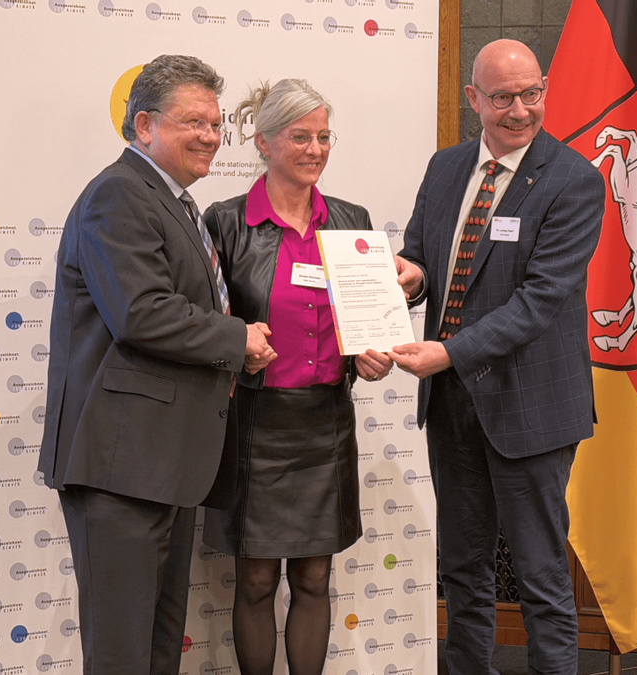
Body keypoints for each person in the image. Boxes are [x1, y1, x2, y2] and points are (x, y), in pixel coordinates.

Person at [38, 54, 274, 675]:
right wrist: (237, 339)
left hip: (160, 463)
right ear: (144, 125)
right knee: (123, 653)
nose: (211, 136)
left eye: (216, 124)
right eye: (193, 122)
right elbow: (140, 312)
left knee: (158, 648)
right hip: (121, 467)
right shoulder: (119, 194)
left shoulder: (173, 201)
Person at [389, 40, 606, 675]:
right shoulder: (445, 168)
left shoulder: (574, 181)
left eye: (531, 93)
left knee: (540, 575)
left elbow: (538, 302)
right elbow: (422, 256)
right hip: (453, 404)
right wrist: (410, 278)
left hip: (530, 406)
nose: (520, 110)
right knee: (462, 569)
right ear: (473, 99)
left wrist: (448, 352)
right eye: (504, 97)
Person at [201, 78, 392, 675]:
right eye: (300, 136)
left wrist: (369, 356)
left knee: (314, 577)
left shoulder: (351, 220)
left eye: (324, 137)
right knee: (256, 581)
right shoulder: (225, 222)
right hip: (254, 424)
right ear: (263, 142)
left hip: (326, 423)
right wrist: (238, 347)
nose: (315, 149)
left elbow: (366, 319)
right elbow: (205, 323)